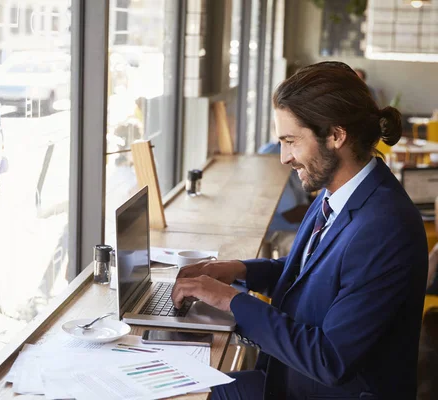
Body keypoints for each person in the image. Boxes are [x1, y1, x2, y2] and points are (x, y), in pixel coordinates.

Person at [171, 61, 428, 399]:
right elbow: (311, 275)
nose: (284, 157)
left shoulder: (386, 228)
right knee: (185, 387)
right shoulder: (339, 192)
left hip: (320, 388)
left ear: (336, 135)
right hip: (288, 378)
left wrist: (231, 301)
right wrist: (240, 270)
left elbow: (330, 359)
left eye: (291, 140)